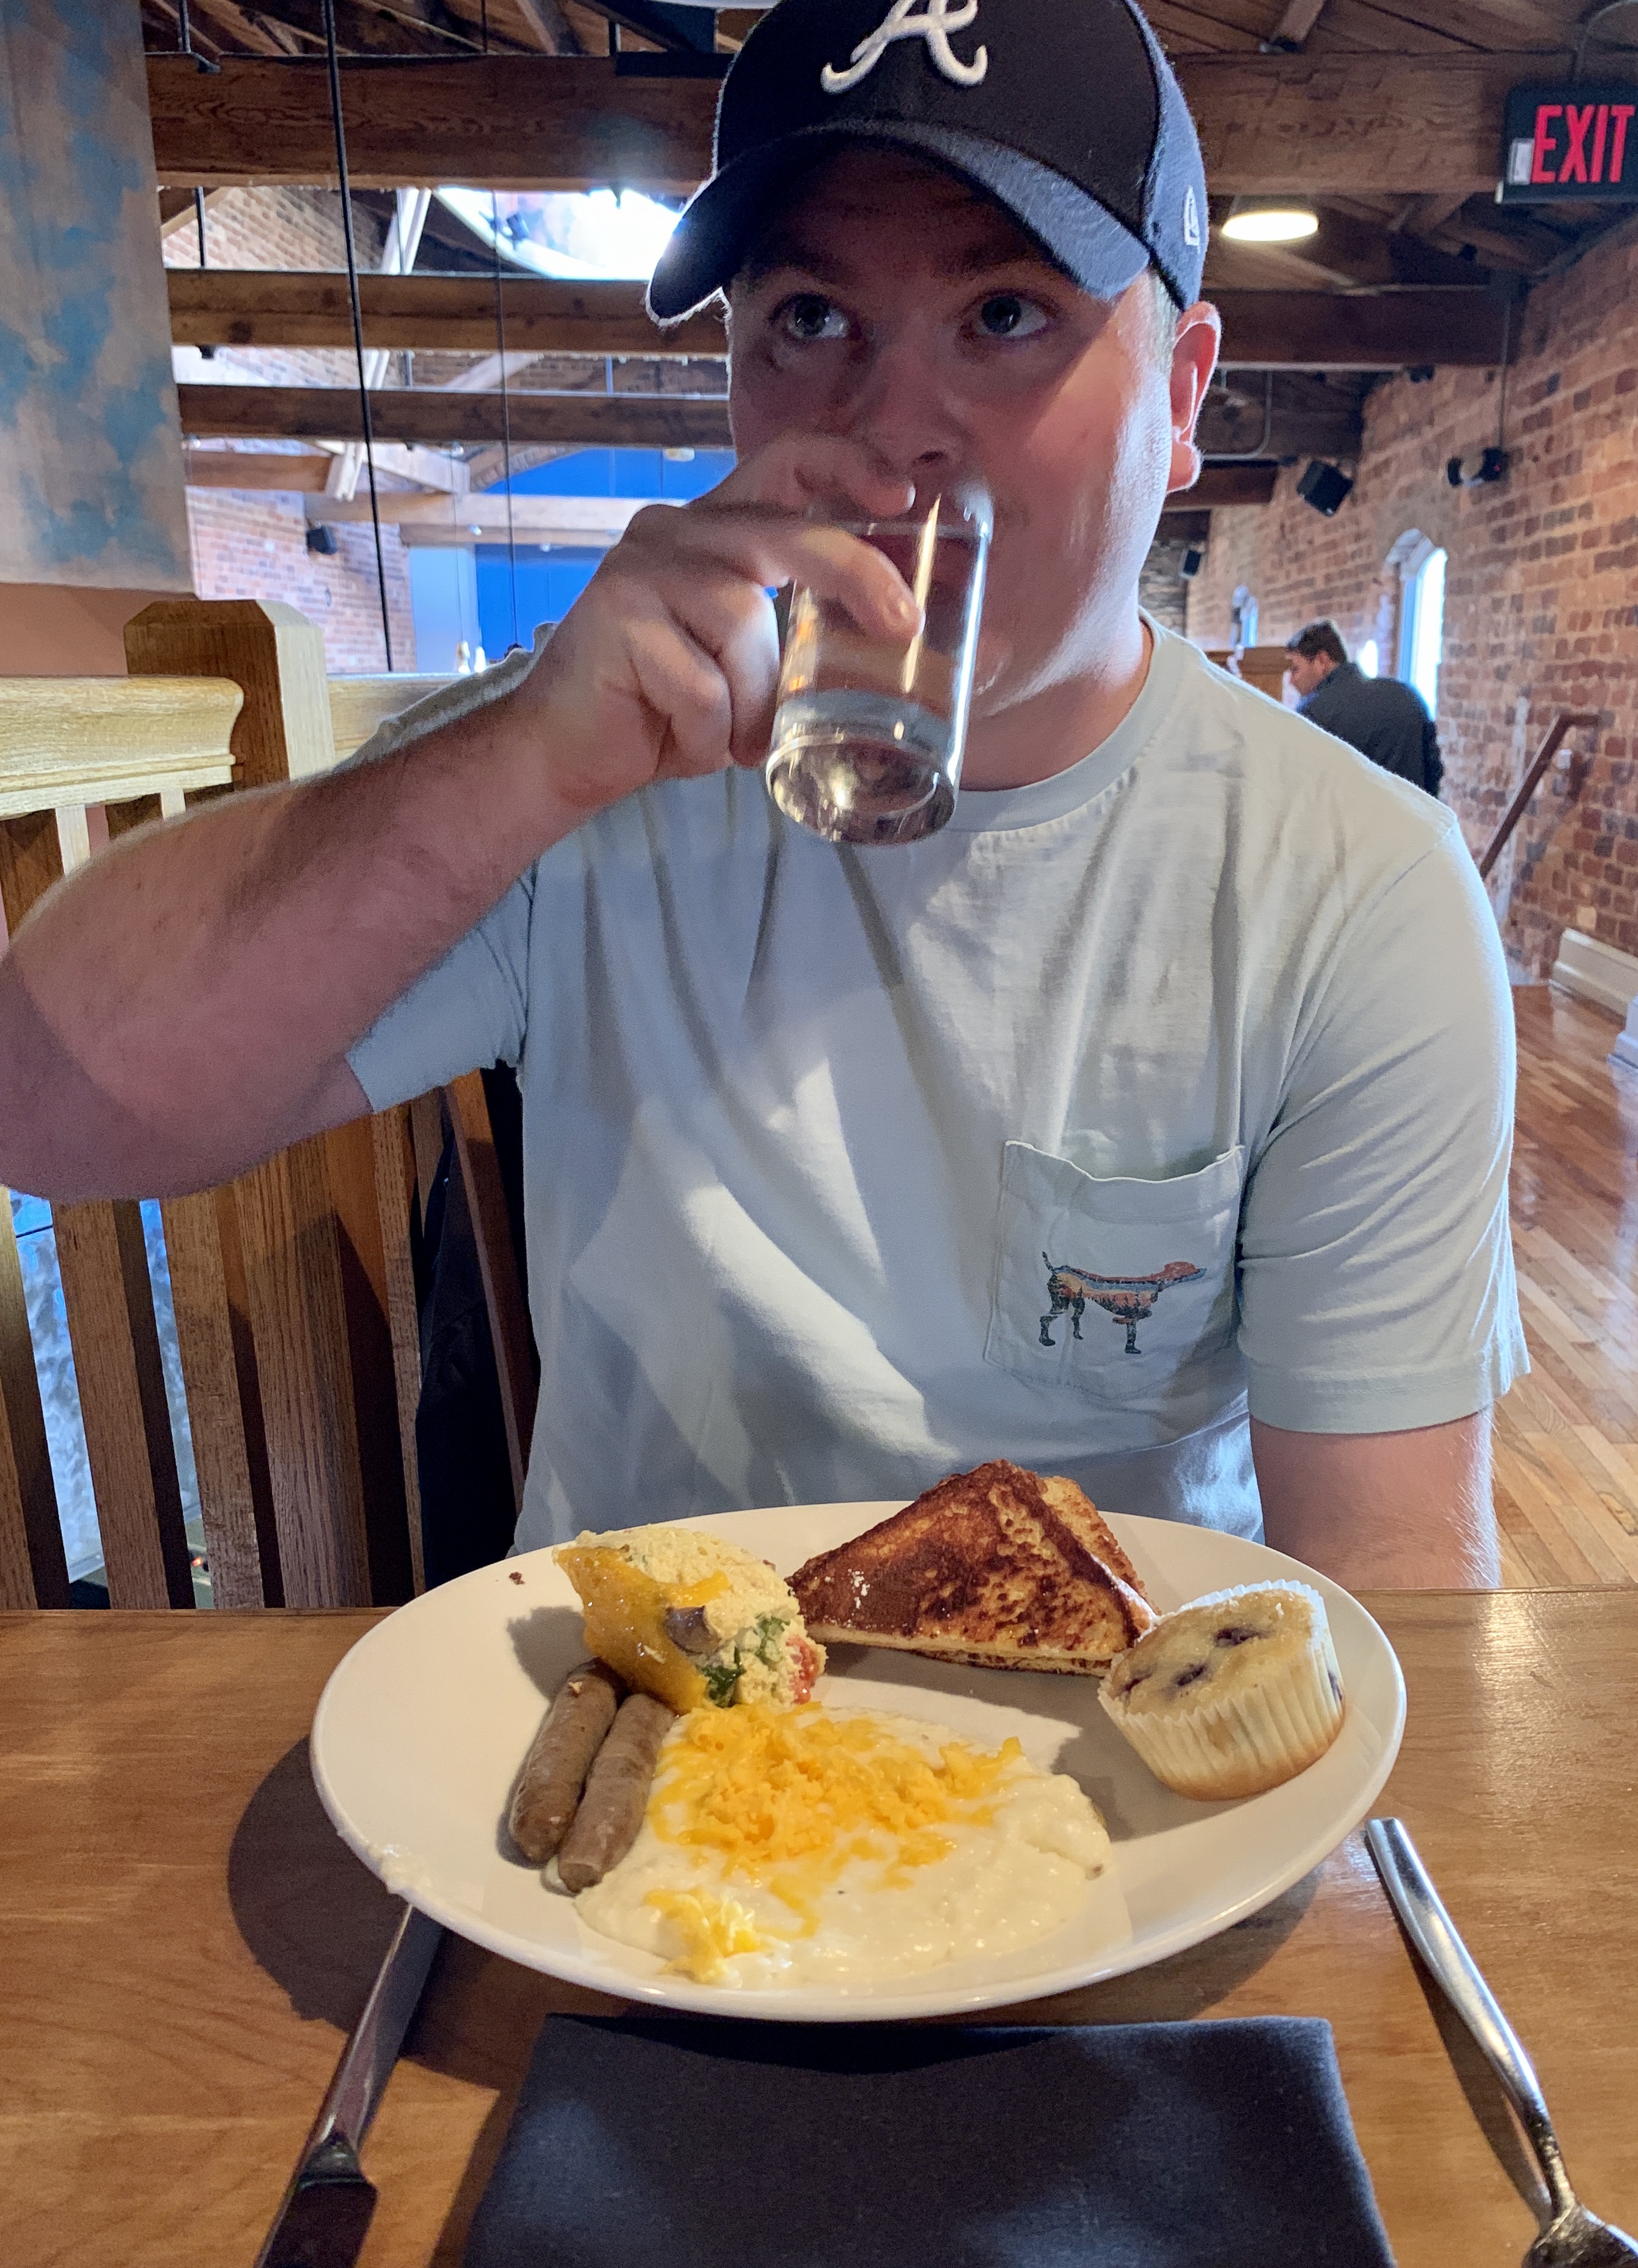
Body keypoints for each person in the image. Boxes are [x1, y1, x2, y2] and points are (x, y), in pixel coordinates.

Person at [0, 0, 1526, 1591]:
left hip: (1104, 1721)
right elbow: (44, 1103)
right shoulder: (584, 763)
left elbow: (1393, 1558)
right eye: (810, 318)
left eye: (1005, 312)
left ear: (1185, 391)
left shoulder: (1352, 887)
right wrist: (513, 764)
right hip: (642, 1703)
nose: (893, 428)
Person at [1285, 619, 1444, 797]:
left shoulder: (1313, 714)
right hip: (1412, 812)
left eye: (1295, 669)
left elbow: (1303, 789)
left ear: (1322, 661)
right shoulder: (1407, 695)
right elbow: (1434, 772)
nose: (1291, 680)